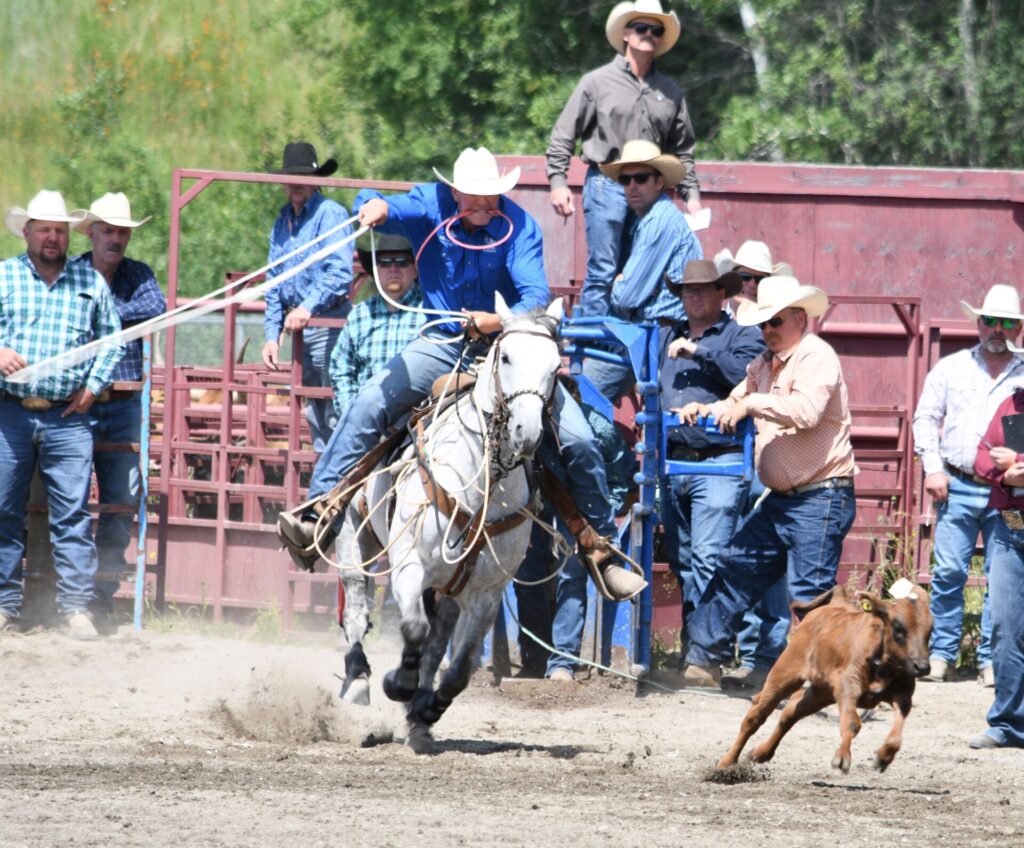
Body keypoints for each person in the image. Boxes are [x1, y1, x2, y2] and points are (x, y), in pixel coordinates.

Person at [277, 146, 646, 602]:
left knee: (578, 440)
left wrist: (495, 321)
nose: (484, 203)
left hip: (508, 348)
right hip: (443, 344)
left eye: (491, 195)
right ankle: (319, 511)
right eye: (474, 194)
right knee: (370, 402)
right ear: (454, 192)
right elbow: (381, 203)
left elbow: (535, 296)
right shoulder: (431, 204)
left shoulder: (519, 226)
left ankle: (602, 551)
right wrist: (374, 206)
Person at [676, 275, 857, 686]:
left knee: (810, 594)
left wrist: (752, 403)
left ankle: (826, 681)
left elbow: (806, 411)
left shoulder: (816, 356)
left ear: (799, 318)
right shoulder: (764, 363)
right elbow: (735, 401)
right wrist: (703, 410)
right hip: (788, 497)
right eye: (763, 323)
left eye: (775, 321)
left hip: (821, 495)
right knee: (736, 567)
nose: (768, 330)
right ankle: (703, 662)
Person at [0, 190, 123, 639]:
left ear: (68, 236)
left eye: (59, 230)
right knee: (2, 509)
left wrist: (92, 388)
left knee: (72, 514)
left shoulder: (90, 282)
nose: (52, 237)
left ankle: (75, 608)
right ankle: (4, 605)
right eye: (44, 230)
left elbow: (112, 339)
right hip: (10, 411)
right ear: (28, 232)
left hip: (67, 416)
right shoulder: (4, 276)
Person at [546, 0, 700, 321]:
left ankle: (625, 340)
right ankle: (593, 342)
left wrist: (692, 195)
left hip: (651, 189)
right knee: (603, 270)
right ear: (626, 34)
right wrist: (558, 182)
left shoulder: (670, 92)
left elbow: (683, 149)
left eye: (656, 30)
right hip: (606, 183)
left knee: (638, 271)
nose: (649, 34)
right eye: (641, 27)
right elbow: (563, 134)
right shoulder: (597, 82)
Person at [658, 259, 767, 681]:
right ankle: (696, 651)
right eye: (688, 290)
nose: (694, 296)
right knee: (684, 562)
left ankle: (708, 658)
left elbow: (747, 376)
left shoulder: (743, 335)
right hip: (674, 460)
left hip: (721, 460)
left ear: (722, 294)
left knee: (707, 560)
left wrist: (697, 351)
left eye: (703, 289)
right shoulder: (665, 334)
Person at [912, 284, 1024, 685]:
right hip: (956, 485)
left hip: (1010, 494)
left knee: (1004, 576)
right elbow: (925, 417)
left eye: (1006, 322)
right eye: (990, 320)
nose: (997, 329)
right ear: (978, 323)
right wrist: (933, 468)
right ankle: (942, 654)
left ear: (1018, 328)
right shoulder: (952, 368)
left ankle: (992, 659)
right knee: (948, 572)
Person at [73, 192, 166, 621]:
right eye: (109, 231)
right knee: (69, 497)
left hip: (122, 399)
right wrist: (118, 318)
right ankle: (73, 590)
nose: (116, 239)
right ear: (92, 234)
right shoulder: (74, 272)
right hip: (76, 400)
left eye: (122, 232)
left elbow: (156, 307)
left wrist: (98, 313)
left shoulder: (137, 274)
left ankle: (100, 591)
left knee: (122, 498)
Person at [261, 141, 354, 452]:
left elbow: (339, 273)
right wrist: (271, 334)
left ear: (315, 180)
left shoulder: (330, 214)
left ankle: (341, 471)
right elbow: (274, 279)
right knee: (315, 407)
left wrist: (305, 307)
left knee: (335, 401)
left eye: (302, 176)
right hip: (302, 327)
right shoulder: (282, 221)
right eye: (291, 177)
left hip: (329, 322)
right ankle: (325, 471)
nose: (296, 183)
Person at [969, 384, 1024, 748]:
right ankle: (1008, 725)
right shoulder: (1013, 403)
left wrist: (1017, 462)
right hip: (1010, 528)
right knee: (1005, 626)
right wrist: (1005, 475)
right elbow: (981, 459)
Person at [329, 234, 424, 421]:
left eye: (402, 262)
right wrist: (353, 414)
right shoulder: (359, 315)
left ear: (416, 269)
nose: (393, 268)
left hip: (418, 421)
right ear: (376, 269)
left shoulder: (431, 313)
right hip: (366, 420)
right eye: (385, 262)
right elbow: (341, 368)